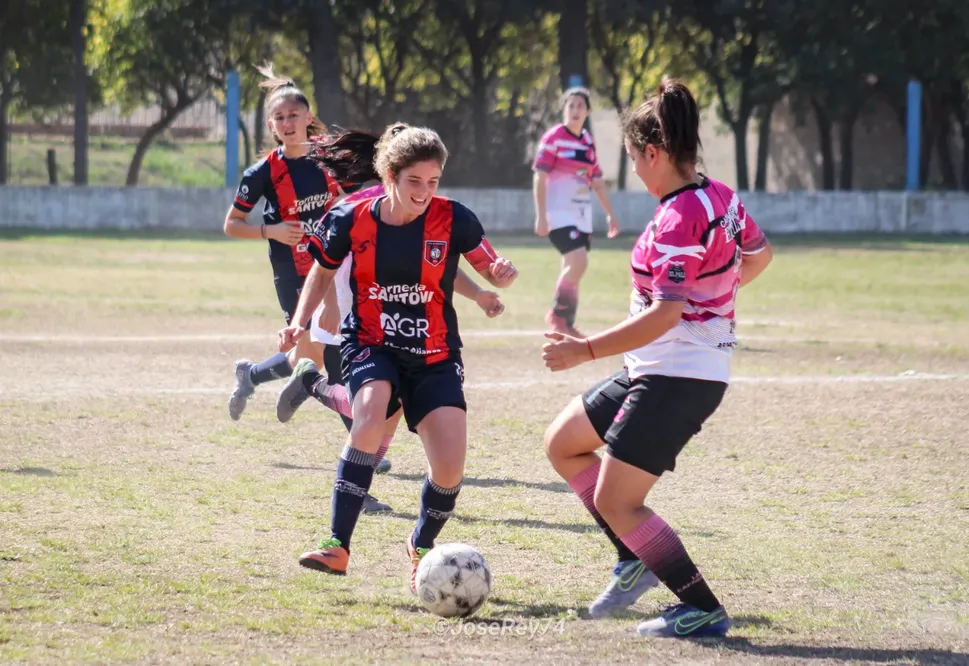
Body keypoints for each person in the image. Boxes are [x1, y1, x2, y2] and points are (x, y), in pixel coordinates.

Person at [541, 78, 773, 639]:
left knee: (617, 500)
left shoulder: (676, 218)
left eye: (634, 162)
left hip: (679, 375)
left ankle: (700, 608)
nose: (634, 175)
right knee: (564, 444)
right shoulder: (720, 196)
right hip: (656, 366)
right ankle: (633, 560)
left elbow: (668, 313)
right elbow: (760, 256)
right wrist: (718, 296)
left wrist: (584, 350)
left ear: (654, 153)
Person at [276, 123, 518, 591]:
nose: (424, 192)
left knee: (449, 467)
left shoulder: (455, 219)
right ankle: (337, 545)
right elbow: (322, 274)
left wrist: (499, 280)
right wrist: (299, 321)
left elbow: (488, 265)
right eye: (414, 182)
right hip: (372, 341)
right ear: (389, 175)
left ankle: (421, 545)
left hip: (435, 351)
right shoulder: (352, 220)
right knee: (368, 417)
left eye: (433, 182)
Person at [222, 64, 343, 422]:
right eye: (279, 117)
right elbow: (231, 225)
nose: (287, 122)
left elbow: (350, 202)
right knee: (319, 352)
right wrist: (269, 231)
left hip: (334, 267)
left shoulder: (330, 158)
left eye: (293, 114)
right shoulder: (262, 173)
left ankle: (253, 375)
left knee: (319, 351)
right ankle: (361, 447)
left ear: (308, 117)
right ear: (272, 126)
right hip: (293, 273)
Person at [533, 87, 620, 338]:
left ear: (588, 111)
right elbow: (540, 176)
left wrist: (610, 214)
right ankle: (558, 316)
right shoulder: (554, 138)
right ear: (564, 109)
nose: (575, 110)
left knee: (573, 267)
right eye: (570, 105)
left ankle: (566, 325)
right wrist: (540, 215)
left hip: (581, 216)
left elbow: (597, 180)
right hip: (558, 214)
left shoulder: (587, 142)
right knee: (579, 262)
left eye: (580, 106)